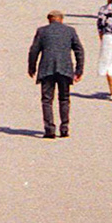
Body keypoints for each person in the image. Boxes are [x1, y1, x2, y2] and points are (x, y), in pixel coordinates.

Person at [27, 9, 85, 139]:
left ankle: (49, 129)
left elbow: (34, 50)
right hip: (65, 68)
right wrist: (79, 69)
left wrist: (32, 67)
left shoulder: (42, 31)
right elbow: (79, 50)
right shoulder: (70, 31)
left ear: (49, 20)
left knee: (47, 100)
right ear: (62, 19)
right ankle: (64, 128)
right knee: (64, 98)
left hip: (47, 68)